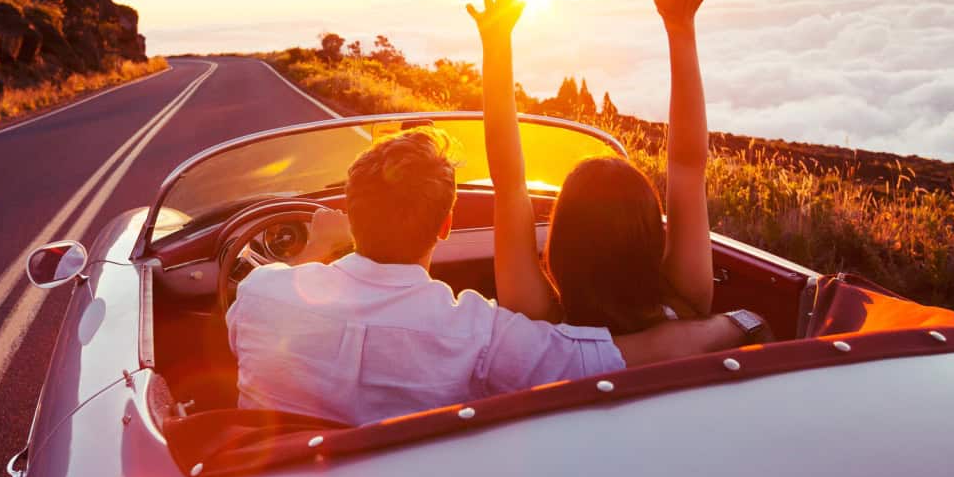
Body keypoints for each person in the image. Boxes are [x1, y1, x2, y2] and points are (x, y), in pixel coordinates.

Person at [227, 124, 748, 426]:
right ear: (447, 224)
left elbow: (290, 293)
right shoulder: (478, 334)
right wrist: (730, 324)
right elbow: (616, 358)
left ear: (352, 214)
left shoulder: (256, 295)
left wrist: (317, 247)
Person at [468, 0, 737, 362]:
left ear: (560, 247)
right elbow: (687, 168)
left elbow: (509, 184)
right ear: (651, 238)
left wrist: (496, 44)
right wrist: (681, 31)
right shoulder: (688, 302)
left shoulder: (541, 326)